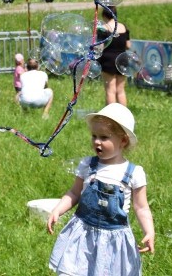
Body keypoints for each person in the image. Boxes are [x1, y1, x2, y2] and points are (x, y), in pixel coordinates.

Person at [47, 103, 155, 276]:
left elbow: (141, 207)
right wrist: (58, 210)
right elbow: (74, 193)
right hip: (83, 233)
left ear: (123, 140)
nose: (97, 141)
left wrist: (149, 231)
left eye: (104, 137)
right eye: (94, 136)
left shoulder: (134, 173)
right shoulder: (87, 165)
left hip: (114, 239)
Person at [97, 6, 132, 106]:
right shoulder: (123, 27)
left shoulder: (103, 29)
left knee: (110, 90)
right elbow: (128, 45)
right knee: (120, 90)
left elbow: (100, 47)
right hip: (123, 59)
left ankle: (110, 116)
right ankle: (123, 115)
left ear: (104, 15)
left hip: (108, 61)